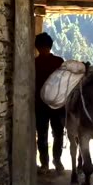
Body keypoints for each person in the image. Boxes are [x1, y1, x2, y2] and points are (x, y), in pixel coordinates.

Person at [35, 32, 65, 174]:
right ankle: (46, 163)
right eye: (41, 48)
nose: (43, 50)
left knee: (57, 134)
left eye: (45, 47)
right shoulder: (57, 62)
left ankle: (55, 161)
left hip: (54, 106)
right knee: (43, 135)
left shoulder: (58, 62)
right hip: (46, 106)